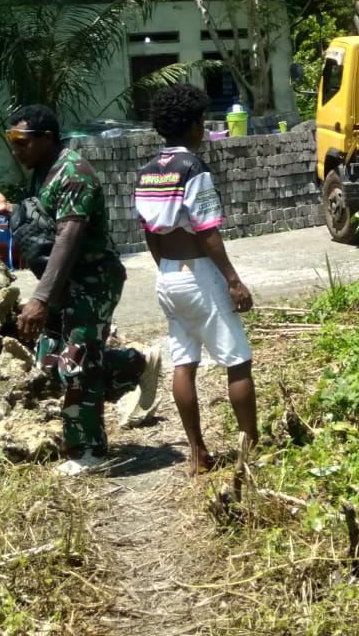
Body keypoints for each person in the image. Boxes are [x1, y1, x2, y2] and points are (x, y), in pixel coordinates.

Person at [0, 104, 156, 475]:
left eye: (21, 142)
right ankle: (135, 364)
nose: (16, 149)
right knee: (50, 364)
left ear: (46, 138)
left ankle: (88, 451)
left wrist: (39, 298)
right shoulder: (42, 172)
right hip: (62, 283)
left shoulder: (74, 174)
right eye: (12, 142)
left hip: (91, 282)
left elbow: (68, 239)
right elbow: (41, 220)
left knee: (76, 364)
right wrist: (5, 208)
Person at [134, 83, 259, 473]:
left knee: (183, 363)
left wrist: (167, 271)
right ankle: (250, 451)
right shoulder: (193, 169)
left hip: (168, 275)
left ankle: (197, 454)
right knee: (238, 360)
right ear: (191, 126)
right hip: (199, 274)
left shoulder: (147, 172)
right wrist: (233, 280)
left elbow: (149, 233)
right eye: (201, 121)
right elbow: (207, 231)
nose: (203, 128)